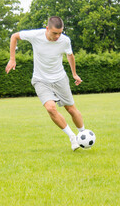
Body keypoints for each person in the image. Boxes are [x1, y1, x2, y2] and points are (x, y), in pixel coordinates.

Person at [5, 16, 85, 151]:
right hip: (40, 80)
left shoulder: (65, 40)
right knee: (50, 108)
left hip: (60, 78)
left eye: (60, 33)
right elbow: (14, 36)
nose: (58, 36)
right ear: (47, 29)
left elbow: (70, 55)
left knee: (71, 109)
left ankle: (83, 134)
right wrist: (12, 59)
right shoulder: (36, 35)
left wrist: (74, 74)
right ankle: (72, 137)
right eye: (55, 33)